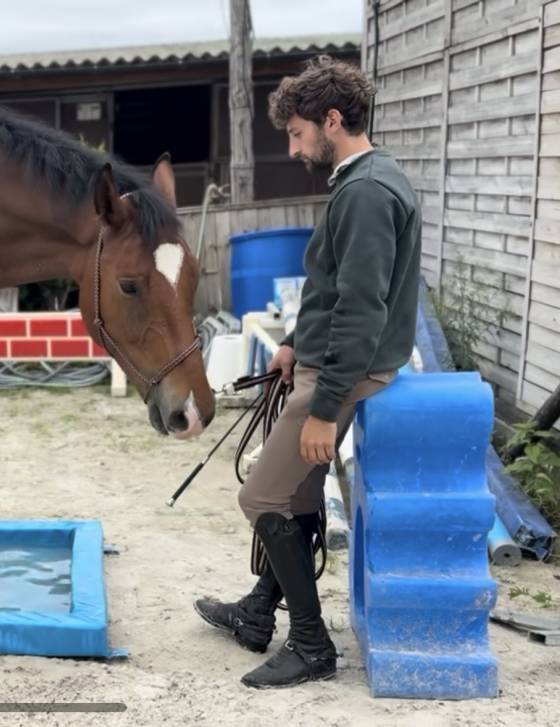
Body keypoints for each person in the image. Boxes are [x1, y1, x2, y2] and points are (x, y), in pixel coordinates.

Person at [195, 55, 423, 689]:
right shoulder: (361, 179)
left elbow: (362, 306)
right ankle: (258, 611)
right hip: (324, 361)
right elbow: (334, 289)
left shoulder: (369, 192)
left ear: (331, 119)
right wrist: (294, 341)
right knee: (291, 495)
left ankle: (313, 646)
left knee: (262, 497)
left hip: (342, 373)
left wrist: (325, 407)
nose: (294, 150)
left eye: (297, 134)